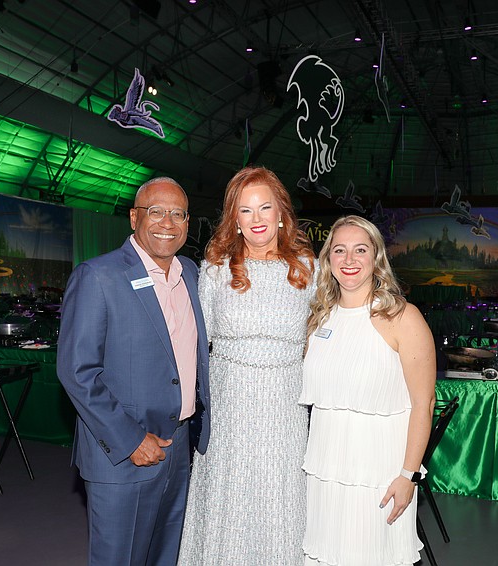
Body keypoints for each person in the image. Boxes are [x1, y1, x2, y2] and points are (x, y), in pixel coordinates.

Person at [57, 177, 211, 566]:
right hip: (124, 453)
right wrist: (130, 439)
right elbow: (77, 372)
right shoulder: (98, 276)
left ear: (188, 223)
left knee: (166, 556)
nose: (167, 222)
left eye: (178, 214)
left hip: (179, 449)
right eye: (155, 211)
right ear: (133, 217)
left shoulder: (191, 274)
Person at [178, 165, 316, 565]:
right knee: (230, 500)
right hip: (229, 411)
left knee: (280, 501)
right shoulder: (215, 269)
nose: (257, 219)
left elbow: (323, 335)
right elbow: (196, 345)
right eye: (245, 211)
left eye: (265, 208)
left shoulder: (309, 268)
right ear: (234, 219)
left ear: (281, 214)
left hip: (285, 410)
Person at [301, 215, 436, 565]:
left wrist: (409, 476)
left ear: (376, 257)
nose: (349, 260)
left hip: (379, 474)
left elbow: (424, 404)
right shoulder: (318, 319)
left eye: (360, 250)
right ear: (327, 260)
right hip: (325, 471)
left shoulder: (403, 317)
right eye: (339, 250)